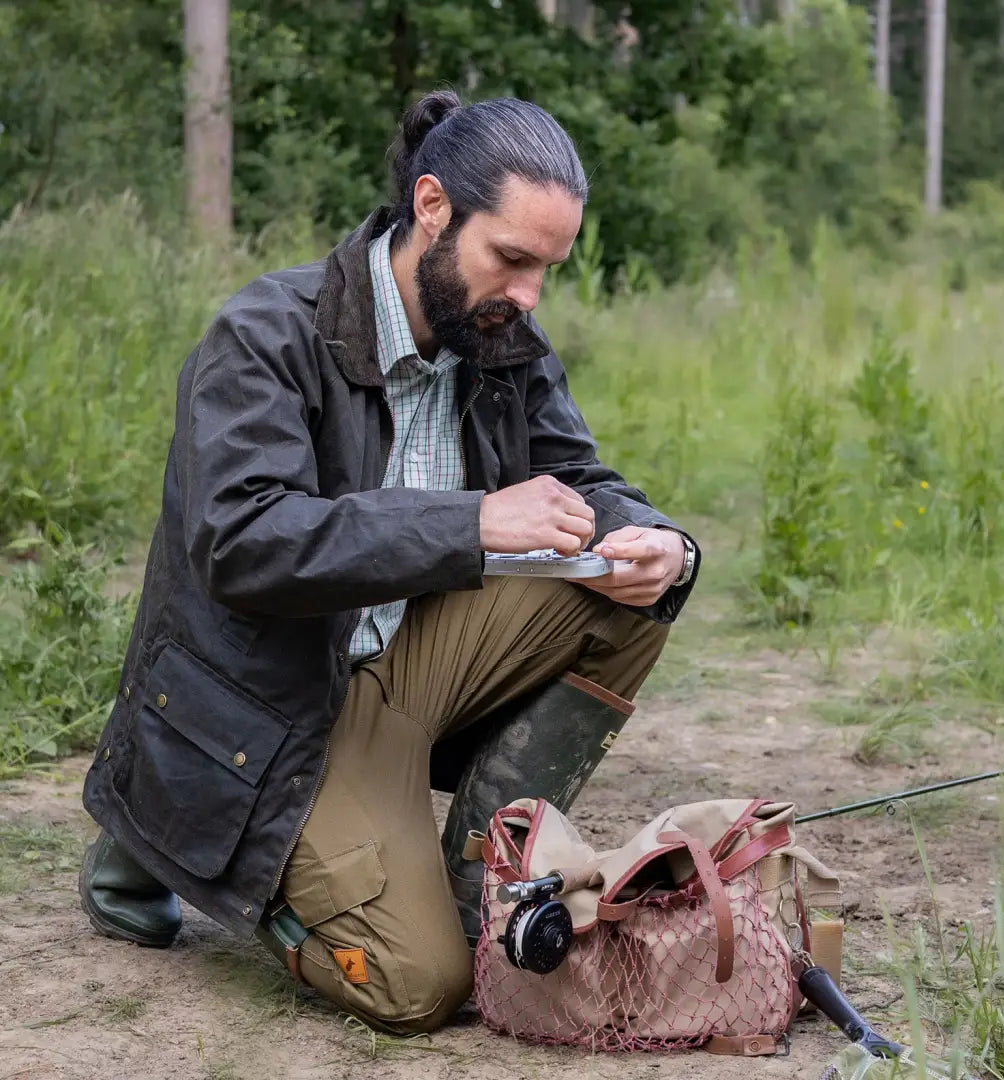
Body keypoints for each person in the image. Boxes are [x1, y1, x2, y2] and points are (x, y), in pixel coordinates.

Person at [80, 90, 700, 1035]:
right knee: (418, 990)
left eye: (548, 270)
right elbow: (241, 543)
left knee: (631, 599)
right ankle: (174, 843)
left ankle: (476, 883)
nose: (529, 295)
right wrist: (469, 523)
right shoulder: (265, 335)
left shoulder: (499, 338)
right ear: (433, 207)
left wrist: (659, 541)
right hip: (280, 711)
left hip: (417, 672)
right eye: (513, 259)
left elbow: (579, 477)